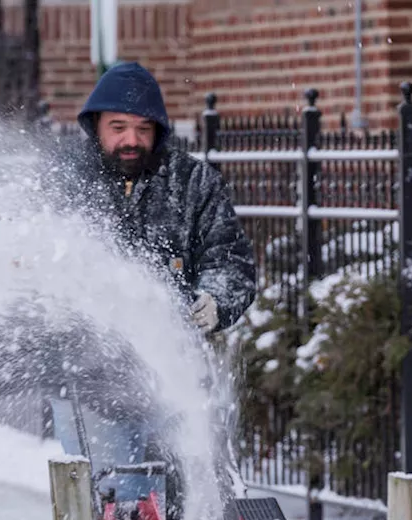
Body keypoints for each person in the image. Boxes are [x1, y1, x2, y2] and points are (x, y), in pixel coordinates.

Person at [43, 62, 257, 335]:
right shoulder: (64, 179)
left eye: (143, 129)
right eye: (118, 128)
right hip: (79, 353)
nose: (132, 140)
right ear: (96, 125)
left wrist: (214, 301)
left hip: (173, 355)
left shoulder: (193, 183)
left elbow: (230, 261)